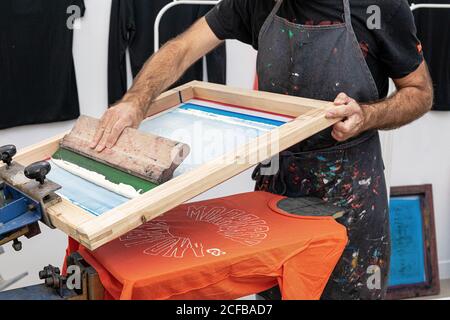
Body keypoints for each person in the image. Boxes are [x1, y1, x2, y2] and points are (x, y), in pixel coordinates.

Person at [90, 0, 433, 299]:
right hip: (277, 188)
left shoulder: (379, 6)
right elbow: (181, 49)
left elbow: (419, 92)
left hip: (350, 193)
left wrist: (367, 115)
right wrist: (135, 101)